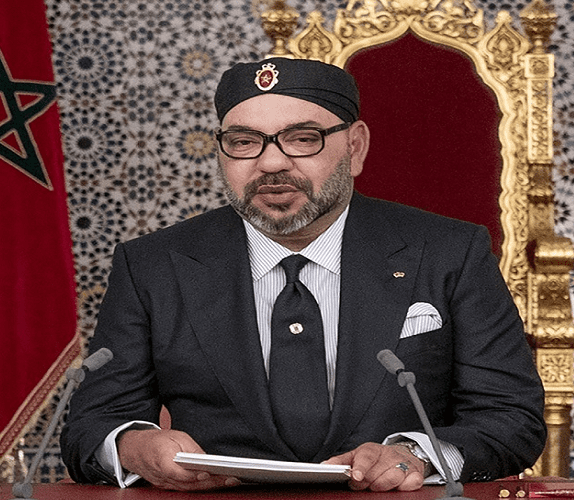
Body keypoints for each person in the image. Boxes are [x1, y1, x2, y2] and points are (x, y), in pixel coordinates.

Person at [60, 57, 546, 492]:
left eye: (302, 139)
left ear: (355, 147)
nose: (271, 163)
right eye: (244, 142)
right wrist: (133, 448)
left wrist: (415, 455)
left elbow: (511, 419)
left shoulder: (448, 252)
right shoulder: (152, 265)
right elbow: (90, 426)